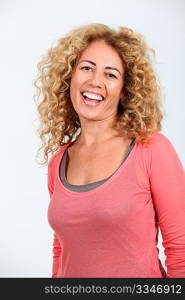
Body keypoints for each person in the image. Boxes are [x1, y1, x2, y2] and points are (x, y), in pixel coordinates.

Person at [34, 23, 185, 278]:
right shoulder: (60, 160)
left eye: (111, 74)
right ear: (69, 76)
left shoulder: (151, 149)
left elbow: (181, 251)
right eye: (87, 68)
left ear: (125, 90)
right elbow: (61, 249)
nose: (95, 81)